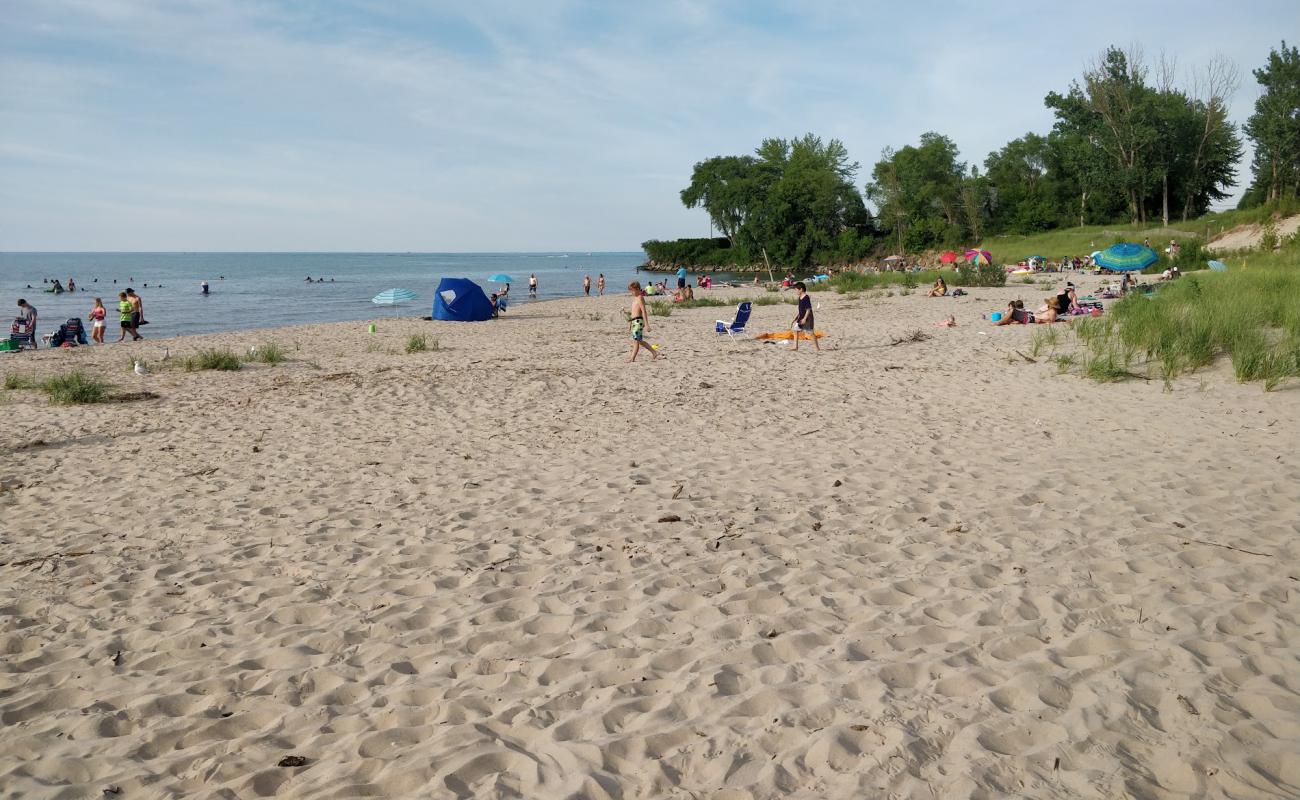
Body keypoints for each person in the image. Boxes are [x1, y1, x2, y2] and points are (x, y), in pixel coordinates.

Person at [626, 281, 658, 362]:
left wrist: (647, 324)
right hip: (634, 321)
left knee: (637, 341)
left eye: (632, 290)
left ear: (637, 289)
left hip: (638, 321)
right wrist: (630, 324)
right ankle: (653, 353)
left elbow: (644, 311)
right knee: (637, 341)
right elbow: (633, 312)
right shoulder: (635, 298)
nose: (631, 292)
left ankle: (633, 358)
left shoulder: (640, 297)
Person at [791, 281, 819, 352]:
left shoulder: (806, 297)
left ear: (801, 289)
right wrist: (796, 318)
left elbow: (808, 309)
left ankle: (817, 349)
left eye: (796, 290)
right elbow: (800, 310)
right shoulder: (800, 297)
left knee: (811, 333)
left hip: (807, 318)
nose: (795, 291)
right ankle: (795, 347)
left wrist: (804, 319)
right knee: (795, 330)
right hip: (801, 318)